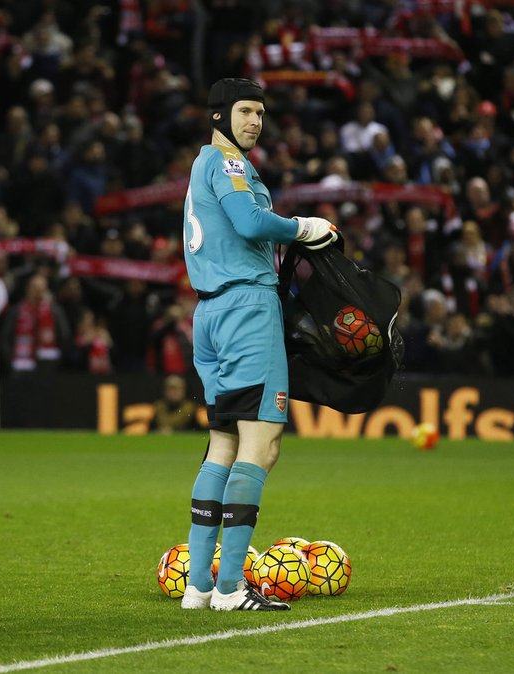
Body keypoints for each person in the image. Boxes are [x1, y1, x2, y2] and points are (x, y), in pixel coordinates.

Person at [180, 78, 338, 611]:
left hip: (209, 313)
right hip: (247, 309)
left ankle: (198, 584)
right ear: (219, 115)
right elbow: (249, 223)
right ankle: (229, 589)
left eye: (261, 113)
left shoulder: (203, 166)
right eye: (245, 111)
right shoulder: (228, 165)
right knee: (261, 446)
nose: (255, 122)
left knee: (222, 442)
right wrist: (303, 227)